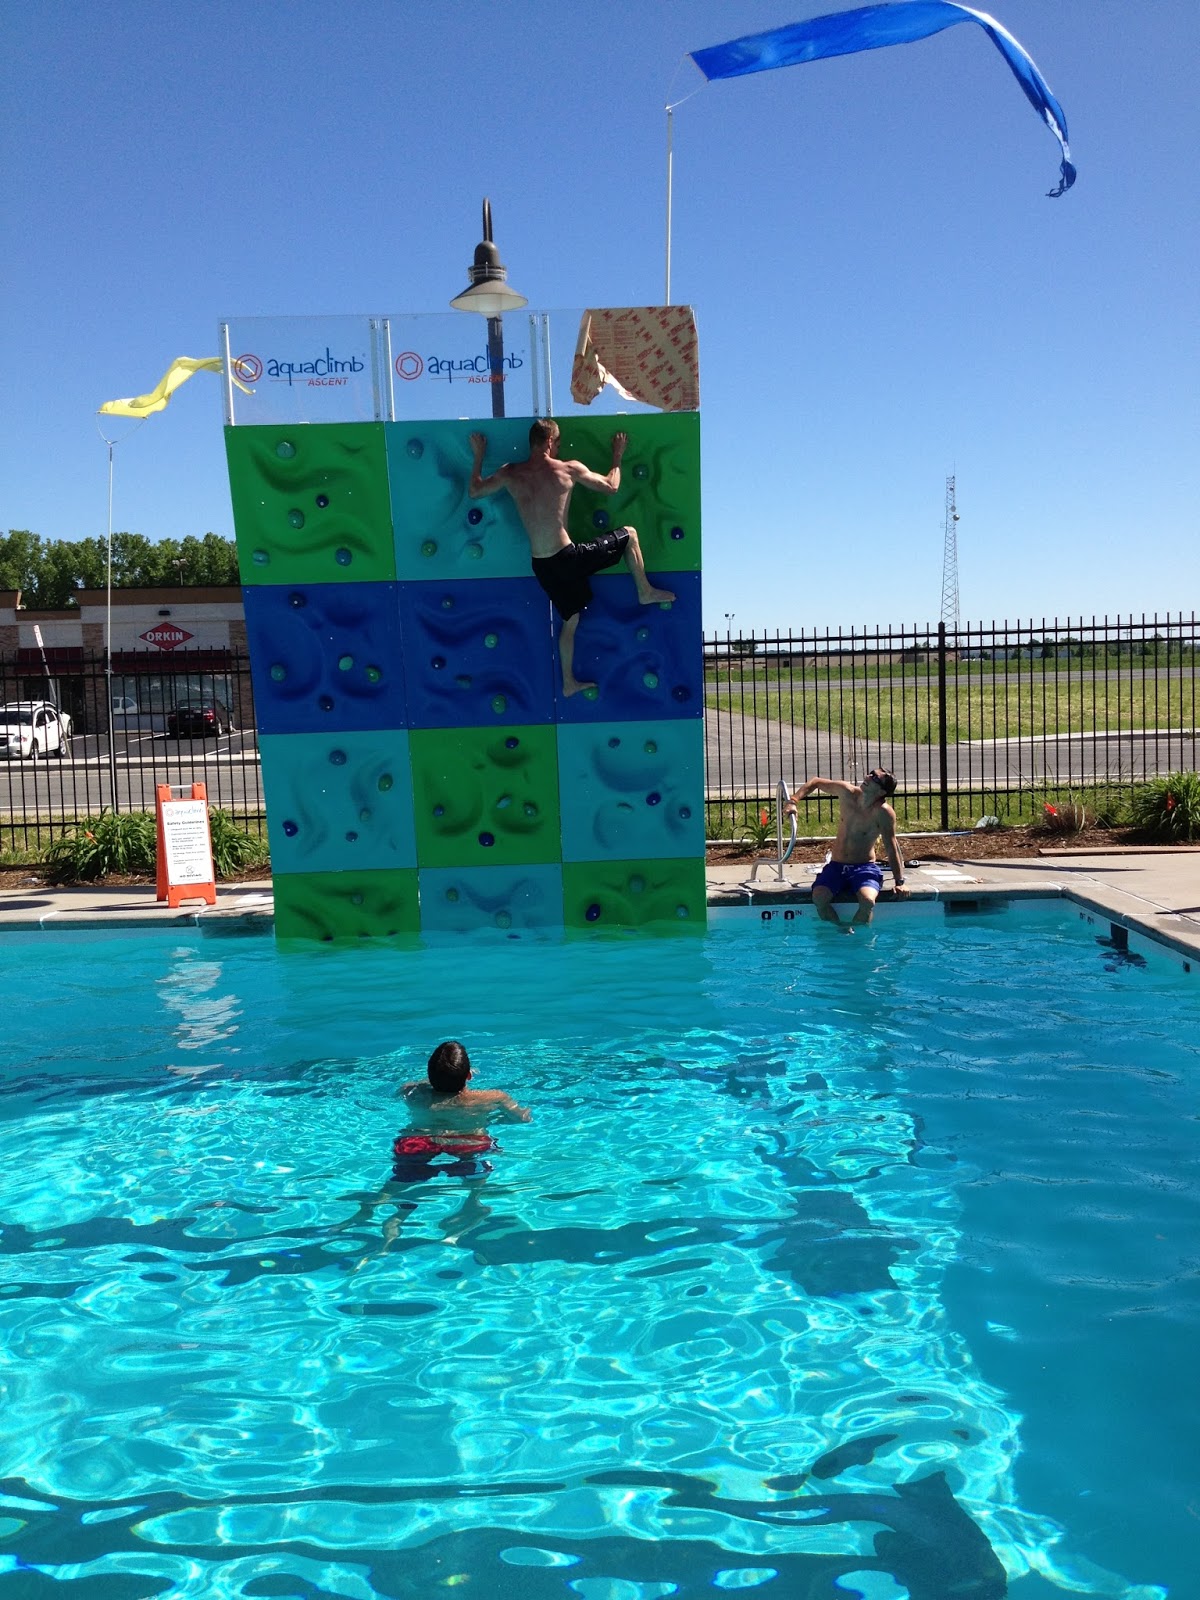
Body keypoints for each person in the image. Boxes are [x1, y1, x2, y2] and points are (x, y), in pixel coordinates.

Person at [469, 420, 676, 696]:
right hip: (567, 558)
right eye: (558, 442)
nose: (560, 447)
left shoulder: (510, 472)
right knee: (630, 534)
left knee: (571, 619)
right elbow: (611, 486)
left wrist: (479, 455)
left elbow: (475, 491)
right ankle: (645, 591)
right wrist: (617, 455)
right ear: (549, 442)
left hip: (542, 566)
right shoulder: (567, 469)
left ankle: (568, 683)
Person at [784, 769, 906, 930]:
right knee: (819, 898)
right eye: (871, 773)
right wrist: (793, 801)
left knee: (868, 901)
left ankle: (858, 935)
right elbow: (815, 782)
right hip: (836, 865)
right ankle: (840, 930)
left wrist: (899, 882)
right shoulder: (847, 792)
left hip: (864, 868)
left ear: (882, 791)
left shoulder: (884, 813)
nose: (868, 777)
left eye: (875, 778)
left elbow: (891, 846)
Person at [392, 1039, 530, 1181]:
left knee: (402, 1176)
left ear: (429, 1075)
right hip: (468, 1141)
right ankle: (474, 1193)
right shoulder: (493, 1097)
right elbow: (522, 1119)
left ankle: (391, 1190)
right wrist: (494, 1120)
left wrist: (435, 1080)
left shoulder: (410, 1091)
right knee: (478, 1172)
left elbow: (408, 1090)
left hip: (419, 1138)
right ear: (469, 1076)